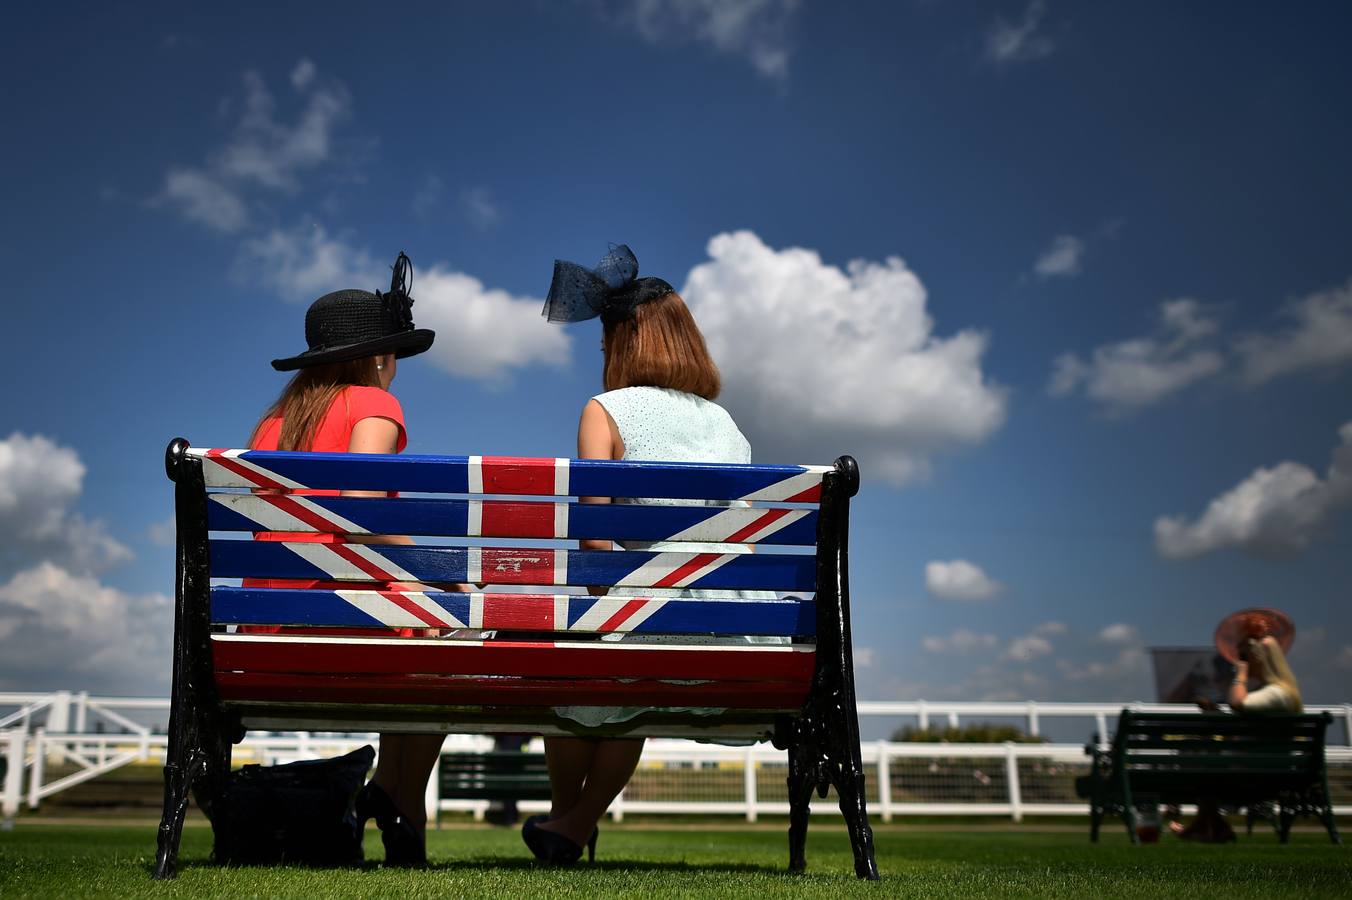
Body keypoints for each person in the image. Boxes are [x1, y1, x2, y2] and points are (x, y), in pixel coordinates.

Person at [520, 244, 755, 865]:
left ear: (624, 344)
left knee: (575, 661)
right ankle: (569, 826)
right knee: (628, 666)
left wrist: (603, 607)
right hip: (732, 628)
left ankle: (571, 822)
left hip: (652, 616)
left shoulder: (607, 410)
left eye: (605, 342)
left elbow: (594, 531)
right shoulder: (728, 426)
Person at [245, 252, 444, 867]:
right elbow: (360, 514)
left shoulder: (272, 422)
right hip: (338, 619)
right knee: (439, 646)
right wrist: (441, 573)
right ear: (380, 356)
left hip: (264, 628)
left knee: (421, 627)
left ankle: (395, 801)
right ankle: (397, 801)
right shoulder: (375, 406)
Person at [1175, 634, 1303, 842]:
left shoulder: (1277, 694)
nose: (1241, 661)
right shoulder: (1283, 694)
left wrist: (1240, 676)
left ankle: (1208, 825)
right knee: (1206, 761)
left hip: (1259, 773)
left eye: (1245, 657)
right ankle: (1210, 825)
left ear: (1259, 660)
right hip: (1273, 769)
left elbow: (1237, 702)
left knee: (1203, 763)